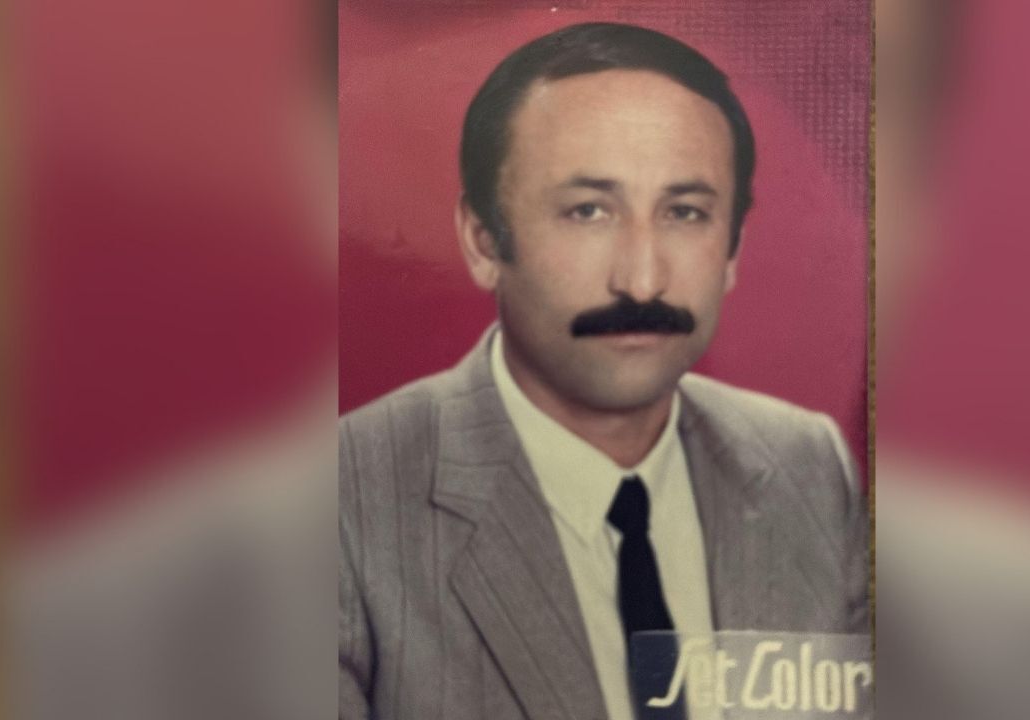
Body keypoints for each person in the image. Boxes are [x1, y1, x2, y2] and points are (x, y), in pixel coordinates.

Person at [339, 22, 869, 720]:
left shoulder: (809, 466)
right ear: (483, 240)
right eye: (588, 211)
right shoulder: (339, 501)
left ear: (733, 250)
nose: (642, 281)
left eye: (685, 212)